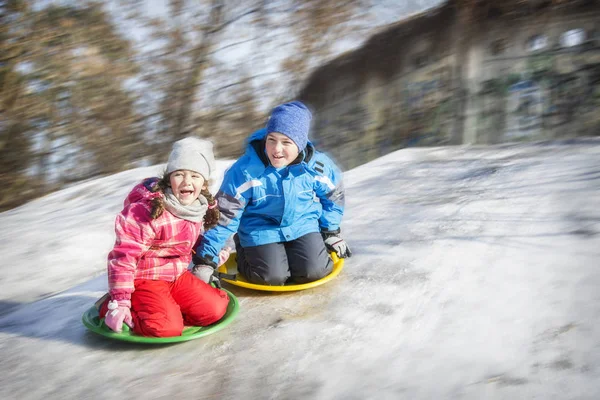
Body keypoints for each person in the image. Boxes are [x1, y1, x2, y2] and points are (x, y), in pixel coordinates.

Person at [192, 100, 351, 287]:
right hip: (259, 229)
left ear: (300, 144)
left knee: (314, 272)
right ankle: (245, 249)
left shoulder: (316, 166)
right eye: (271, 140)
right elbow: (224, 214)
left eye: (286, 142)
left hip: (302, 225)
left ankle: (296, 254)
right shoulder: (245, 170)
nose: (276, 149)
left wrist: (330, 231)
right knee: (270, 278)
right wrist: (206, 260)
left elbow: (334, 195)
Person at [99, 137, 230, 337]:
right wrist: (120, 300)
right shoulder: (148, 211)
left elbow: (190, 243)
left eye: (195, 176)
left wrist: (212, 257)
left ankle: (166, 308)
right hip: (144, 278)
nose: (187, 182)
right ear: (169, 179)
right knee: (166, 328)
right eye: (179, 174)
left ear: (204, 183)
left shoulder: (196, 208)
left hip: (176, 276)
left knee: (215, 310)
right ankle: (114, 306)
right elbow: (124, 257)